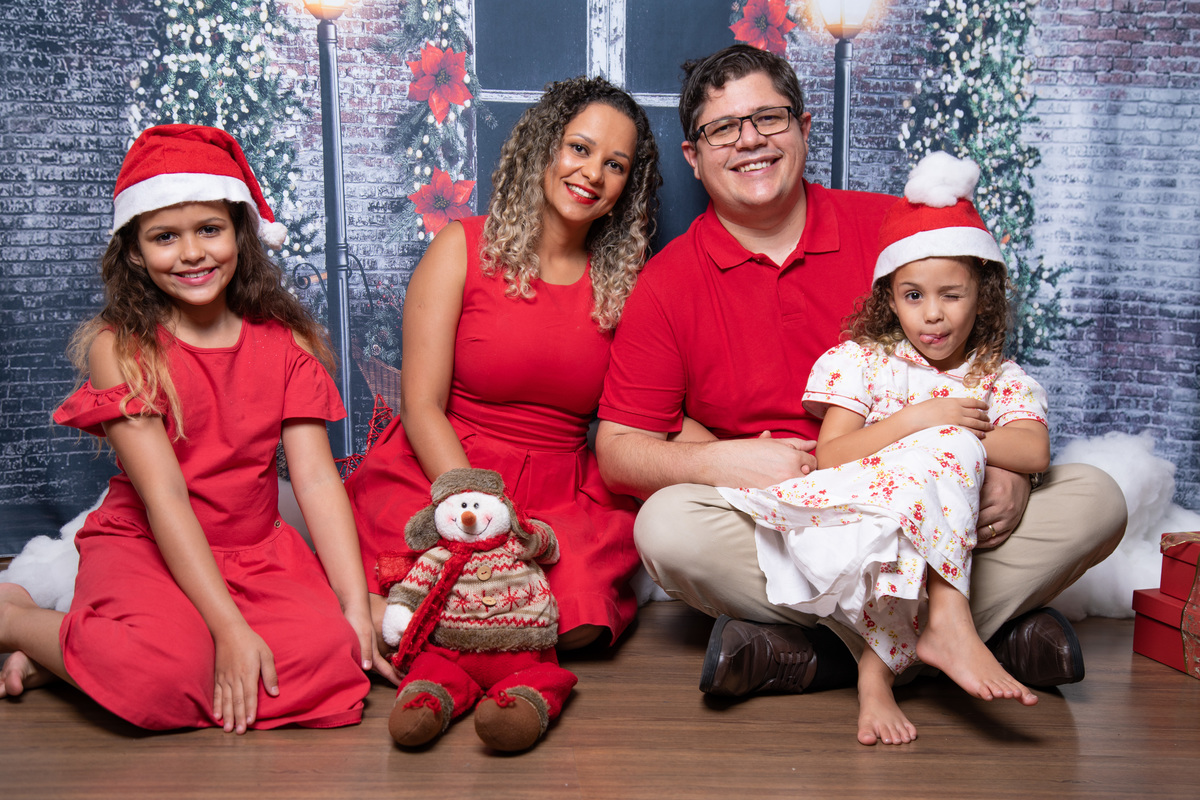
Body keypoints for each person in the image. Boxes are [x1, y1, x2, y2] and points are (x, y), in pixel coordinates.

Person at [596, 44, 1126, 701]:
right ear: (693, 156)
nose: (750, 141)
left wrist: (1012, 472)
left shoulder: (892, 230)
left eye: (769, 118)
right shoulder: (667, 283)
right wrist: (722, 462)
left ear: (803, 127)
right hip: (793, 518)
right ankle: (963, 638)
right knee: (667, 528)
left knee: (1099, 499)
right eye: (723, 128)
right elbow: (618, 451)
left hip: (931, 495)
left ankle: (820, 655)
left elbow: (981, 355)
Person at [0, 125, 377, 733]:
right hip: (149, 540)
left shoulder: (287, 343)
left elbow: (314, 479)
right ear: (134, 251)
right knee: (158, 676)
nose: (192, 253)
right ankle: (18, 621)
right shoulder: (121, 348)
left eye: (209, 229)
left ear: (239, 233)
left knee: (331, 664)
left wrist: (354, 608)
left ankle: (83, 656)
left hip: (254, 550)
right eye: (165, 237)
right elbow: (167, 498)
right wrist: (229, 629)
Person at [719, 151, 1046, 746]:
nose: (933, 315)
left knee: (1093, 496)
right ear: (890, 298)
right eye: (913, 296)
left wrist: (956, 445)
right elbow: (832, 455)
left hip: (935, 534)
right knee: (929, 472)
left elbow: (1034, 451)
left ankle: (875, 677)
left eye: (952, 295)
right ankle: (952, 621)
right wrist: (923, 420)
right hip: (857, 520)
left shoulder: (996, 375)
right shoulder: (864, 362)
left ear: (983, 296)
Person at [344, 76, 662, 669]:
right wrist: (474, 508)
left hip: (560, 490)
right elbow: (421, 405)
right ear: (544, 147)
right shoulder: (461, 247)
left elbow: (653, 411)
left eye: (615, 165)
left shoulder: (631, 287)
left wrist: (740, 455)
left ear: (626, 188)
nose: (593, 173)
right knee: (422, 595)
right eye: (579, 148)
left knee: (574, 623)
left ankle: (459, 639)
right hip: (444, 464)